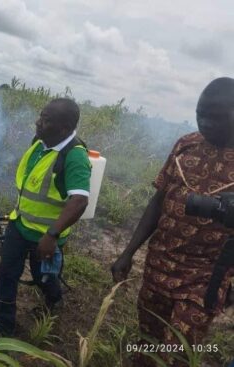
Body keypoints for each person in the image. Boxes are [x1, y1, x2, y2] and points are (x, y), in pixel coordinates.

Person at [111, 77, 234, 367]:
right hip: (160, 264)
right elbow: (158, 201)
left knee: (180, 352)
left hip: (205, 276)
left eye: (214, 117)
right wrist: (128, 252)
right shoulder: (185, 146)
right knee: (148, 341)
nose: (204, 122)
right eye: (199, 114)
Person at [0, 98, 92, 336]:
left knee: (43, 277)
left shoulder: (75, 156)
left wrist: (52, 235)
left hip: (46, 235)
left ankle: (54, 301)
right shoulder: (40, 142)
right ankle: (2, 324)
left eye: (46, 120)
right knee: (6, 273)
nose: (38, 123)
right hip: (20, 224)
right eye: (40, 116)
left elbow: (79, 201)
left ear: (64, 128)